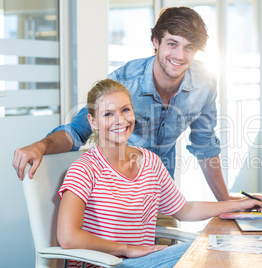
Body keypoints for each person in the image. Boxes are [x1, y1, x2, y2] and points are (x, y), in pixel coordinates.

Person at [13, 6, 234, 201]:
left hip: (161, 194)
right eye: (172, 44)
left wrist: (227, 203)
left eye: (189, 48)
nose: (179, 55)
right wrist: (40, 146)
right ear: (156, 42)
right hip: (115, 195)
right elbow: (76, 131)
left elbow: (205, 146)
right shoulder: (124, 81)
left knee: (175, 246)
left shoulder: (205, 83)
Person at [57, 79, 262, 268]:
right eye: (108, 114)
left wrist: (239, 204)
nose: (120, 120)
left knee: (215, 243)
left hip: (145, 261)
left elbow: (185, 209)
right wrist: (128, 249)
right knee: (204, 249)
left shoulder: (150, 161)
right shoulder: (85, 169)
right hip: (108, 263)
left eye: (125, 110)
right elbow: (67, 237)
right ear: (93, 122)